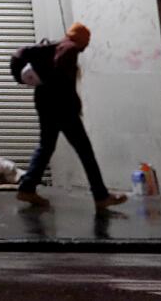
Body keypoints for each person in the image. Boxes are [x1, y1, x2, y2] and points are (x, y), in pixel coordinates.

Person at [17, 22, 127, 209]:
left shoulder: (57, 46)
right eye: (87, 41)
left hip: (45, 102)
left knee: (46, 146)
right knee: (85, 151)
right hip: (61, 107)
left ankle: (27, 188)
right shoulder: (70, 50)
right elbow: (61, 80)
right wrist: (73, 105)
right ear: (82, 40)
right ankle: (101, 196)